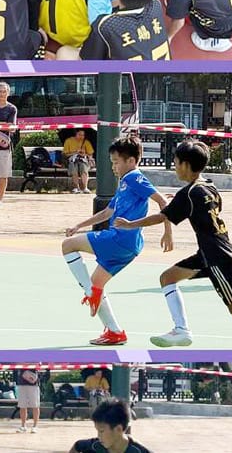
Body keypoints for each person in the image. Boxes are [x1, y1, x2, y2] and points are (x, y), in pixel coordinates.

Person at [115, 140, 232, 350]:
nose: (175, 167)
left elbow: (161, 217)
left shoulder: (188, 194)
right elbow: (204, 206)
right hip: (207, 253)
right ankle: (181, 330)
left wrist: (130, 224)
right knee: (167, 278)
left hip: (216, 257)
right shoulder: (208, 186)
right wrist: (178, 202)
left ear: (186, 165)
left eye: (176, 163)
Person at [62, 136, 172, 346]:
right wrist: (79, 225)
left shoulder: (134, 178)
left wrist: (168, 232)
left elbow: (163, 202)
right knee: (96, 283)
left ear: (131, 161)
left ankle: (91, 293)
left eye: (116, 162)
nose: (113, 167)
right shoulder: (125, 182)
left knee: (68, 246)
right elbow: (107, 212)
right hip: (130, 246)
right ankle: (115, 332)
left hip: (120, 238)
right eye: (112, 162)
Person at [69, 399, 151, 453]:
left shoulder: (138, 451)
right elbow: (77, 446)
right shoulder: (94, 446)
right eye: (97, 431)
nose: (98, 436)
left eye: (101, 431)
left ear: (118, 429)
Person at [63, 129, 95, 194]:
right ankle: (76, 188)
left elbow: (90, 154)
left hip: (83, 160)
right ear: (76, 134)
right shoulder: (68, 141)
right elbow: (65, 154)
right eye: (80, 135)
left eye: (83, 135)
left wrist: (84, 154)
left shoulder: (86, 142)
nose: (81, 137)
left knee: (84, 169)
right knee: (74, 170)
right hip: (72, 160)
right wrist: (75, 152)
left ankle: (85, 187)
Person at [15, 369, 40, 433]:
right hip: (22, 383)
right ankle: (23, 426)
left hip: (33, 384)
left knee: (35, 405)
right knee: (22, 405)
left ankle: (35, 426)